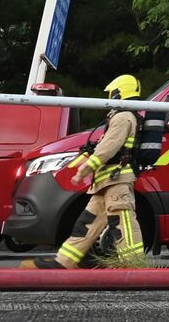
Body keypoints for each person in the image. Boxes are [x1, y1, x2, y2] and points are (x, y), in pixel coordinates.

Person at [24, 75, 147, 269]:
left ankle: (134, 266)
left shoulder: (123, 117)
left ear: (118, 93)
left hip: (117, 181)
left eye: (111, 94)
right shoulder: (123, 116)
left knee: (123, 223)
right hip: (105, 183)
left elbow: (107, 148)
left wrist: (84, 170)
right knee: (86, 224)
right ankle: (64, 261)